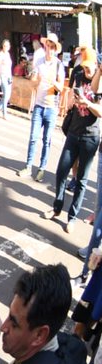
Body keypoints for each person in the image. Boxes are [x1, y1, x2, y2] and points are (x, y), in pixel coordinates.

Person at [50, 47, 102, 234]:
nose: (86, 70)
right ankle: (57, 207)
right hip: (73, 132)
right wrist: (72, 100)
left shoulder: (100, 82)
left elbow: (100, 112)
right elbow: (71, 96)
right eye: (84, 66)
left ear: (96, 65)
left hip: (90, 137)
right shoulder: (79, 75)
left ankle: (72, 217)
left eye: (89, 67)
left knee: (81, 180)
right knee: (61, 171)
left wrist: (87, 103)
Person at [19, 33, 65, 181]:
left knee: (47, 140)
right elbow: (32, 83)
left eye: (52, 47)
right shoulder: (39, 62)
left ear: (55, 49)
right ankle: (28, 166)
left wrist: (53, 82)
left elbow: (61, 87)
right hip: (39, 106)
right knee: (33, 137)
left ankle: (42, 168)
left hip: (51, 108)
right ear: (45, 47)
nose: (49, 50)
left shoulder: (58, 65)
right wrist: (36, 80)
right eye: (47, 46)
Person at [0, 38, 13, 119]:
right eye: (4, 46)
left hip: (8, 76)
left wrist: (10, 76)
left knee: (8, 95)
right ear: (2, 46)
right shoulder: (1, 54)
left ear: (9, 47)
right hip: (2, 75)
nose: (6, 47)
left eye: (7, 46)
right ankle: (4, 113)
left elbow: (9, 67)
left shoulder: (8, 54)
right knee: (6, 93)